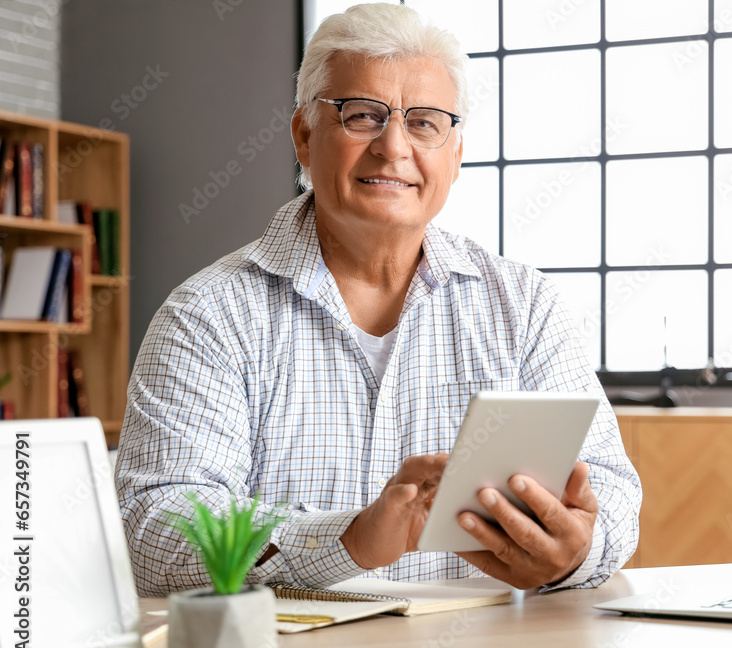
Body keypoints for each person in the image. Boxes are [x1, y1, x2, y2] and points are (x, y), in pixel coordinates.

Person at [115, 2, 641, 597]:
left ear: (456, 153)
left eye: (424, 123)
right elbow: (156, 533)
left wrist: (576, 553)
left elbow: (611, 490)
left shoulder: (525, 306)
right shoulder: (207, 316)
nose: (394, 148)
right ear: (304, 136)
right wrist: (349, 540)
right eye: (362, 116)